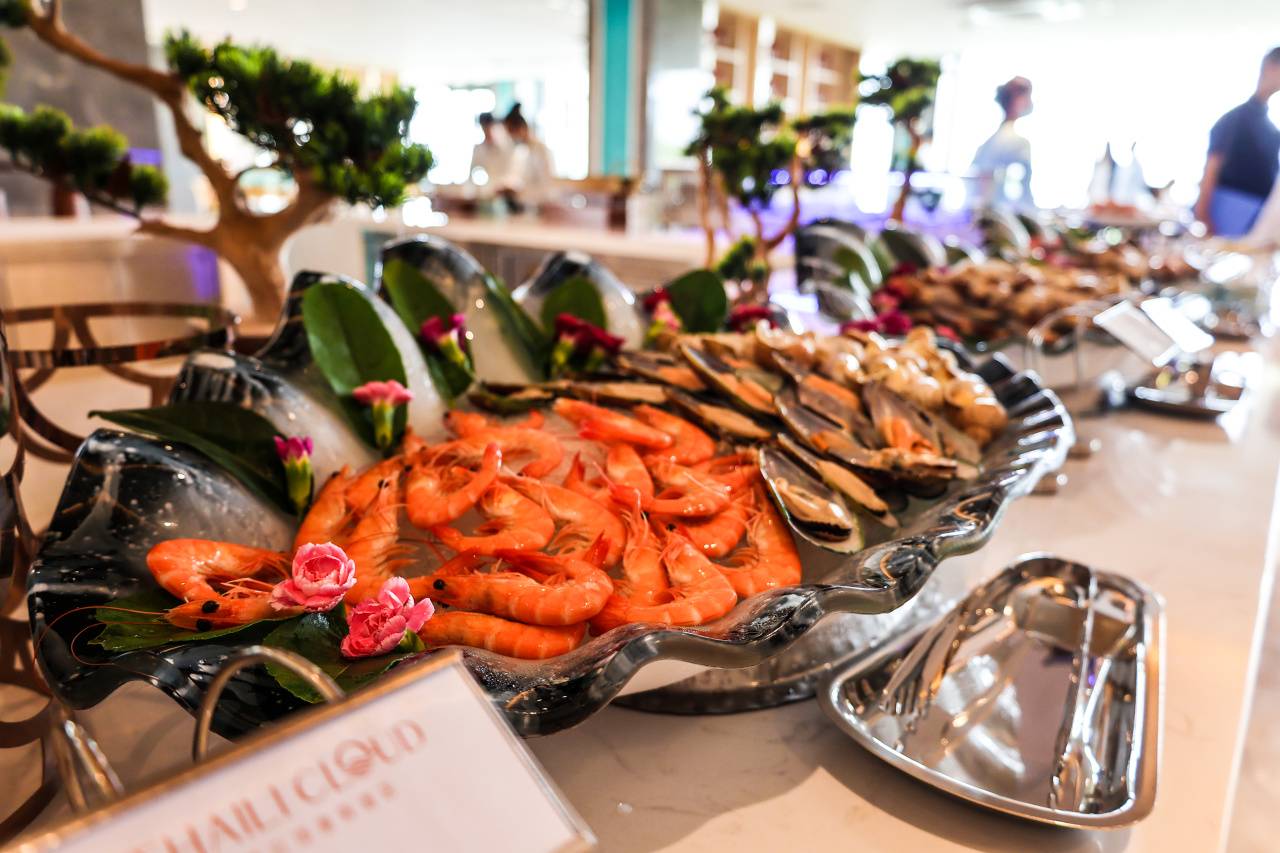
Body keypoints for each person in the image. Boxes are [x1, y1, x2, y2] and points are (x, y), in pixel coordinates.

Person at [1196, 47, 1280, 237]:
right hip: (1228, 209)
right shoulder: (1236, 119)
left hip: (1257, 213)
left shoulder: (1269, 127)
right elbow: (1212, 166)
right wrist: (1203, 213)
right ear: (1270, 67)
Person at [971, 76, 1035, 210]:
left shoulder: (995, 138)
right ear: (1017, 99)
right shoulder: (1015, 140)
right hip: (1005, 212)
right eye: (1028, 95)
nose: (1031, 101)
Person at [500, 103, 556, 212]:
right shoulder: (520, 151)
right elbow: (515, 178)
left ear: (522, 128)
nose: (511, 138)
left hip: (541, 208)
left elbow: (546, 187)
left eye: (511, 133)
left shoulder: (541, 150)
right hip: (523, 207)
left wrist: (520, 193)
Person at [467, 112, 511, 198]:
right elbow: (472, 172)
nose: (487, 131)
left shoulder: (506, 147)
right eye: (484, 128)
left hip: (503, 194)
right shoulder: (478, 149)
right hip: (483, 195)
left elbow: (510, 172)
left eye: (489, 127)